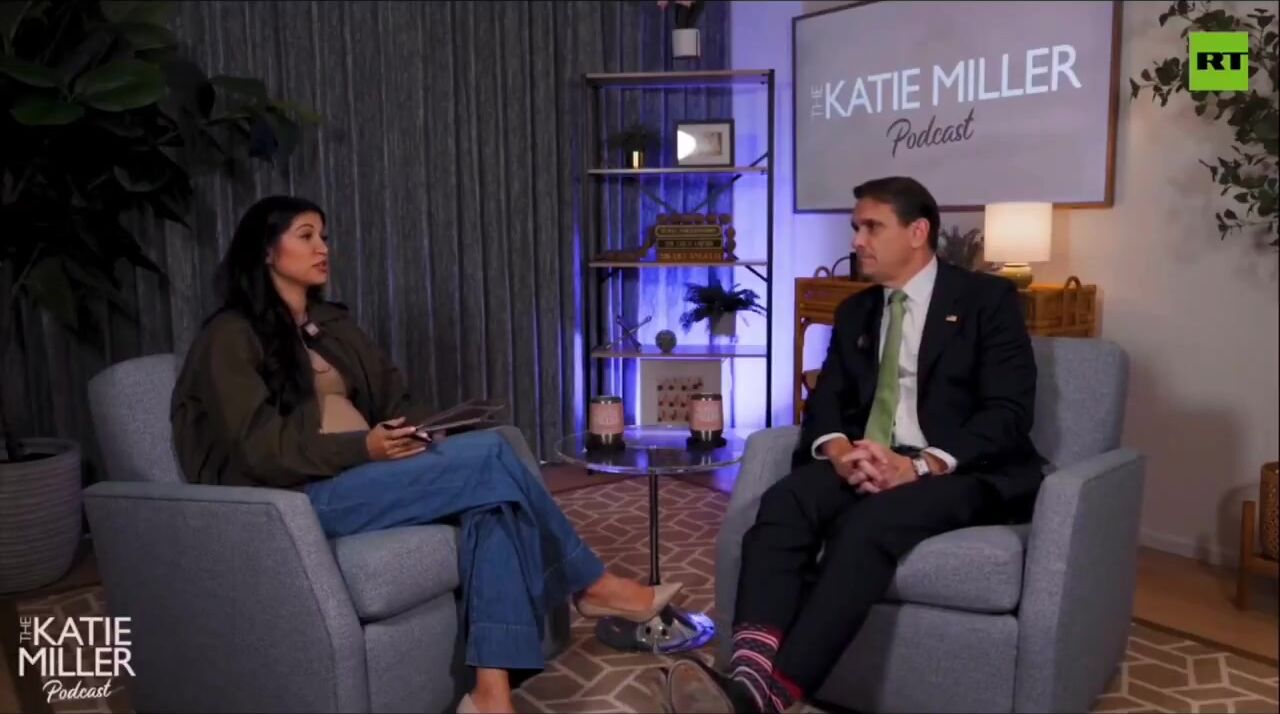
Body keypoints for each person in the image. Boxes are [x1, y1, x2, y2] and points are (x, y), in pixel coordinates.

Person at [170, 195, 683, 714]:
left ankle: (490, 695)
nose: (322, 248)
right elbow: (261, 450)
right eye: (306, 236)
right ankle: (592, 585)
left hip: (365, 472)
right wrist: (362, 446)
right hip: (298, 498)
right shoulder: (229, 336)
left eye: (324, 236)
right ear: (265, 250)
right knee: (492, 455)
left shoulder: (330, 324)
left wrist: (426, 432)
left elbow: (395, 397)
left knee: (494, 500)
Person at [665, 176, 1045, 713]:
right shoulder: (856, 312)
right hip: (868, 459)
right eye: (855, 227)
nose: (856, 240)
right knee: (785, 500)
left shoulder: (987, 300)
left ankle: (774, 694)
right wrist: (841, 454)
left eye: (871, 227)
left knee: (868, 524)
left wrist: (918, 466)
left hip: (958, 470)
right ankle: (749, 673)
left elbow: (1008, 413)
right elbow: (825, 404)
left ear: (917, 232)